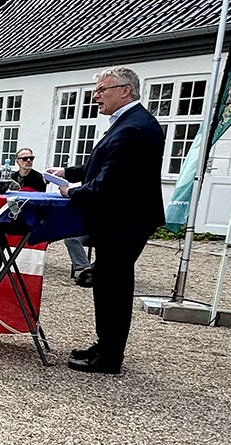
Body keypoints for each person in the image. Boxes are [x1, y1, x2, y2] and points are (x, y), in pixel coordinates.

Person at [47, 66, 165, 375]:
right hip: (120, 220)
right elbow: (104, 161)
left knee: (114, 287)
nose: (95, 95)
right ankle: (106, 344)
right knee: (107, 284)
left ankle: (110, 357)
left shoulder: (133, 128)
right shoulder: (127, 123)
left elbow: (108, 183)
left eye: (101, 90)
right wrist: (71, 172)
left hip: (124, 221)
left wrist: (71, 191)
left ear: (125, 90)